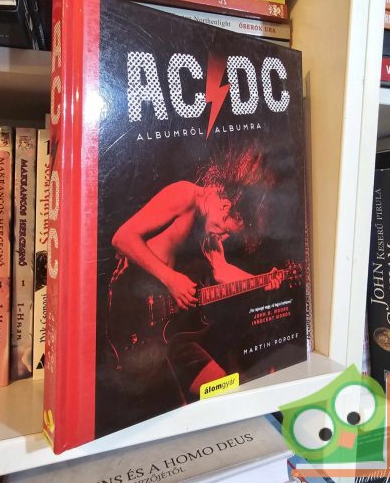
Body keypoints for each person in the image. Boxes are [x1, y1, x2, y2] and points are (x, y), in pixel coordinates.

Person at [109, 146, 283, 401]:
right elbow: (122, 238)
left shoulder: (208, 228)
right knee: (170, 409)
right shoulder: (184, 194)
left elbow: (222, 271)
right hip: (134, 316)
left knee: (225, 391)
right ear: (225, 205)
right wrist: (171, 279)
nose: (223, 237)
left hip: (170, 332)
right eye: (226, 230)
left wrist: (262, 281)